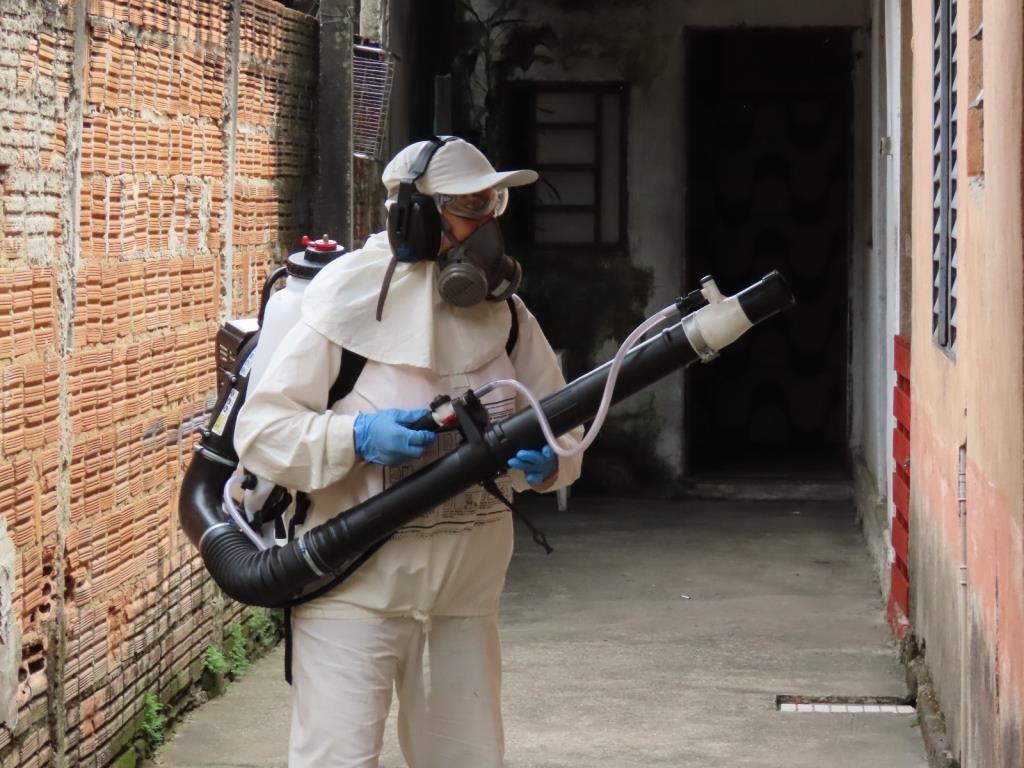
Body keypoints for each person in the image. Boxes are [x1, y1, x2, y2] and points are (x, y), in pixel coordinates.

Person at [234, 136, 583, 768]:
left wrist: (552, 462)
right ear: (414, 217)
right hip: (353, 592)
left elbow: (561, 422)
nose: (484, 227)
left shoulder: (505, 315)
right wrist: (356, 438)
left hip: (464, 600)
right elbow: (262, 434)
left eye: (491, 206)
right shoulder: (340, 307)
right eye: (468, 208)